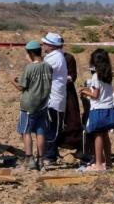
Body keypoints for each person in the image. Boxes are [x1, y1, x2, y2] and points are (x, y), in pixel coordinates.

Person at [12, 40, 53, 170]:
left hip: (29, 105)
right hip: (43, 104)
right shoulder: (48, 66)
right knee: (40, 132)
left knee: (26, 131)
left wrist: (11, 81)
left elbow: (21, 87)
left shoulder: (29, 68)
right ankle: (41, 159)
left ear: (29, 53)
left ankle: (29, 159)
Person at [79, 49, 114, 172]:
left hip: (98, 110)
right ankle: (108, 163)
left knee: (98, 136)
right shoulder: (108, 75)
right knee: (105, 136)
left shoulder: (96, 76)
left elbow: (96, 95)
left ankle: (98, 163)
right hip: (109, 109)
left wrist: (84, 92)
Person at [40, 32, 68, 166]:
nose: (43, 45)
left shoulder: (55, 58)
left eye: (45, 43)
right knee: (49, 127)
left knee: (52, 128)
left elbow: (41, 72)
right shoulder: (53, 56)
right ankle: (48, 153)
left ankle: (50, 156)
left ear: (51, 45)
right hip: (51, 98)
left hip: (54, 99)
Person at [60, 50, 85, 153]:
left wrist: (60, 79)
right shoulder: (49, 58)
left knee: (72, 119)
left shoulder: (69, 58)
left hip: (68, 93)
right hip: (55, 94)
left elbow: (72, 76)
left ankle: (78, 148)